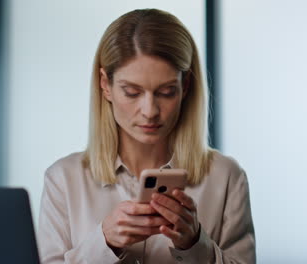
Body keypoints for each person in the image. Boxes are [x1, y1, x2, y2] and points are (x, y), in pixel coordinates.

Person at [38, 8, 255, 264]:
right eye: (131, 92)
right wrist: (104, 242)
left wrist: (196, 245)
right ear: (105, 84)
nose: (150, 111)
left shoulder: (226, 177)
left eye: (166, 92)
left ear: (185, 87)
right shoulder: (63, 179)